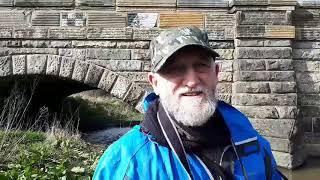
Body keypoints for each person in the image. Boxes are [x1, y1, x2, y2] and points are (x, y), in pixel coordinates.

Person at [93, 26, 286, 180]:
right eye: (175, 69)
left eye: (201, 66)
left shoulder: (251, 141)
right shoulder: (126, 162)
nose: (192, 81)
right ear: (155, 83)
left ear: (216, 73)